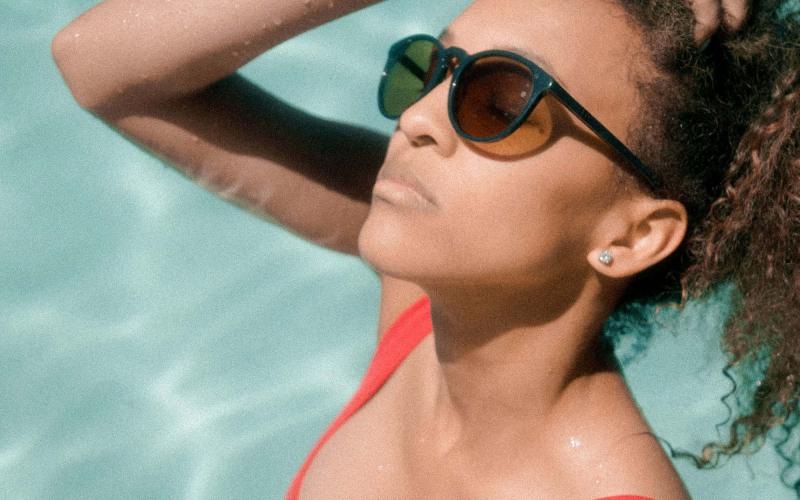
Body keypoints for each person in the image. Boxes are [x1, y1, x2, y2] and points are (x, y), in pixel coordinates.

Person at [50, 0, 798, 498]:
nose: (417, 119)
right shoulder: (424, 301)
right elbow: (100, 68)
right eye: (433, 69)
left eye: (500, 102)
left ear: (634, 235)